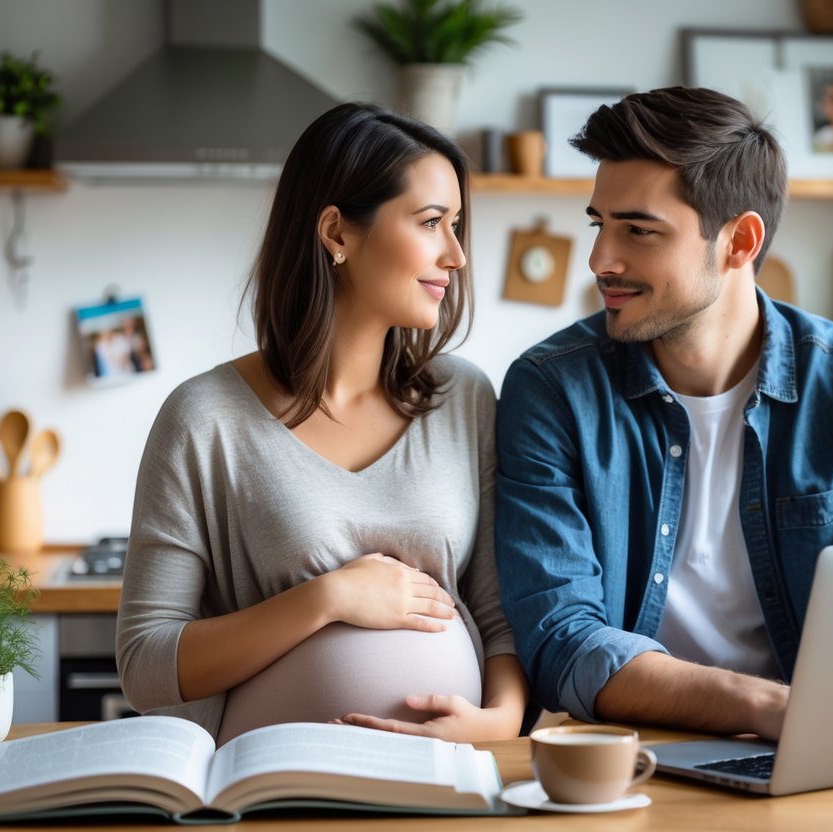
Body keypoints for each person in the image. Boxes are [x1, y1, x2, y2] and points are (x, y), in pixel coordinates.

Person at [494, 86, 833, 742]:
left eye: (638, 230)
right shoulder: (551, 390)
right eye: (598, 224)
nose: (601, 259)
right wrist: (772, 709)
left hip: (811, 748)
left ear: (739, 241)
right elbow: (559, 641)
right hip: (633, 753)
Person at [117, 102, 528, 745]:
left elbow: (498, 616)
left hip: (445, 788)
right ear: (337, 232)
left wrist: (500, 722)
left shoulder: (463, 397)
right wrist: (328, 599)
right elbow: (145, 664)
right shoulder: (204, 419)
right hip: (273, 798)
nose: (456, 255)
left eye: (457, 225)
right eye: (430, 223)